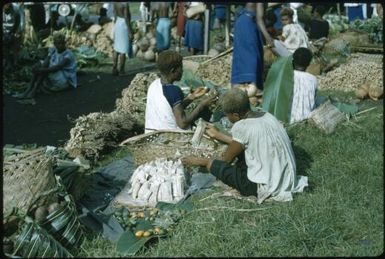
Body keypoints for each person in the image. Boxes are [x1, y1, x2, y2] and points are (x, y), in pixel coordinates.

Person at [182, 88, 308, 203]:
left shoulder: (241, 126)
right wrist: (218, 135)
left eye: (227, 114)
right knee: (240, 156)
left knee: (215, 165)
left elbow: (226, 160)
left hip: (266, 186)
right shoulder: (267, 116)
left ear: (236, 115)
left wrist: (201, 162)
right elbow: (246, 140)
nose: (226, 117)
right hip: (286, 178)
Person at [145, 50, 217, 133]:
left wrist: (192, 97)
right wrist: (202, 105)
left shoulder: (154, 84)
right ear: (173, 71)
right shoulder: (174, 90)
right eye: (181, 68)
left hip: (151, 133)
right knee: (205, 114)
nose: (182, 71)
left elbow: (171, 107)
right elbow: (183, 123)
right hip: (168, 137)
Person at [231, 3, 273, 105]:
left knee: (241, 54)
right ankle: (252, 85)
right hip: (248, 24)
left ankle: (240, 84)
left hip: (243, 23)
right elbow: (259, 18)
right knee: (253, 55)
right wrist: (268, 38)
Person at [13, 32, 77, 99]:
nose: (60, 45)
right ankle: (29, 89)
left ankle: (34, 89)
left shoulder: (68, 55)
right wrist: (39, 68)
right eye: (58, 43)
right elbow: (47, 60)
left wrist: (40, 70)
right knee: (40, 64)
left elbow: (57, 67)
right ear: (55, 44)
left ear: (64, 43)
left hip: (65, 80)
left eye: (62, 43)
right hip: (58, 76)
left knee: (44, 69)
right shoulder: (53, 50)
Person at [290, 48, 318, 124]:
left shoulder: (286, 77)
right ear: (308, 63)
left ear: (292, 60)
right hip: (306, 119)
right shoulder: (313, 79)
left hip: (289, 119)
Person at [112, 3, 133, 76]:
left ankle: (114, 69)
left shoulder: (115, 3)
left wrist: (115, 24)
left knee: (116, 48)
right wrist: (130, 30)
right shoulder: (125, 3)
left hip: (117, 22)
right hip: (123, 24)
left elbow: (114, 14)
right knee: (123, 49)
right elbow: (126, 17)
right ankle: (121, 70)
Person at [3, 3, 22, 71]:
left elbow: (18, 22)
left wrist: (14, 33)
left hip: (12, 31)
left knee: (14, 42)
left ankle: (16, 63)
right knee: (4, 46)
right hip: (4, 32)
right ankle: (8, 63)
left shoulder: (15, 9)